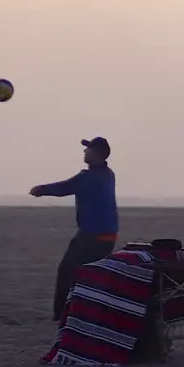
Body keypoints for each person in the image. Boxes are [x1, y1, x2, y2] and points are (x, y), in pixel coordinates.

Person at [29, 137, 119, 321]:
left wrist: (40, 190)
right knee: (94, 275)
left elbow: (64, 187)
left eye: (88, 150)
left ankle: (63, 314)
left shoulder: (88, 177)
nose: (84, 152)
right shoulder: (108, 174)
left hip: (92, 236)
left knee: (67, 271)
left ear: (97, 154)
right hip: (108, 235)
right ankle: (90, 311)